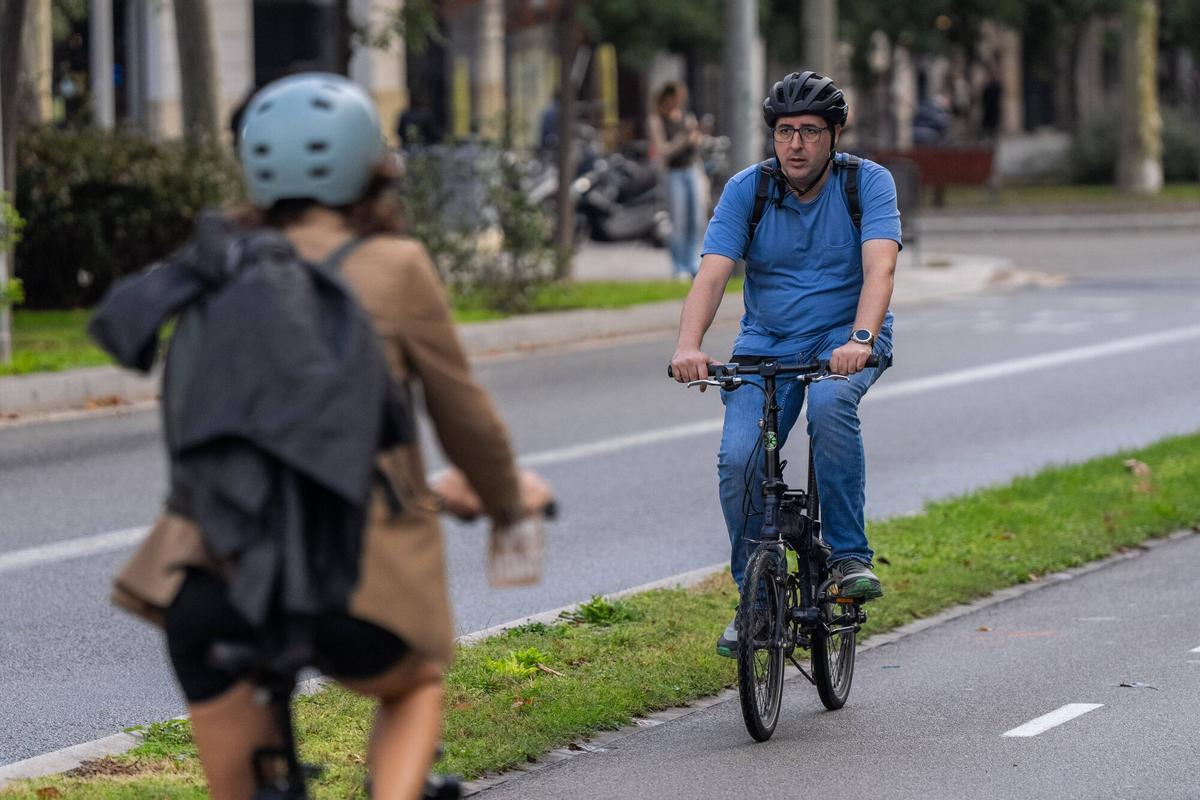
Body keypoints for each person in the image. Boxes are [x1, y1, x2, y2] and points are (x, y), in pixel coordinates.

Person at [102, 73, 548, 800]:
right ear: (374, 168)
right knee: (416, 682)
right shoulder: (396, 266)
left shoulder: (216, 268)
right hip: (353, 574)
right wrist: (506, 502)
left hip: (212, 572)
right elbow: (464, 418)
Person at [669, 70, 901, 658]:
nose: (795, 144)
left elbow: (880, 270)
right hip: (765, 345)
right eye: (784, 132)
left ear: (835, 135)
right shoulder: (750, 189)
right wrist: (688, 346)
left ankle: (849, 557)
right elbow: (713, 273)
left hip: (841, 341)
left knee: (828, 407)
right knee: (738, 459)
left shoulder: (867, 184)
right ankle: (755, 595)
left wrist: (862, 336)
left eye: (810, 132)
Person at [647, 81, 710, 280]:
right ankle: (679, 265)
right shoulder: (656, 120)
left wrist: (697, 137)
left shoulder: (686, 117)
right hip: (673, 173)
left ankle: (693, 262)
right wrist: (682, 140)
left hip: (692, 170)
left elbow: (697, 144)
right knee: (678, 220)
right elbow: (662, 151)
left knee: (697, 218)